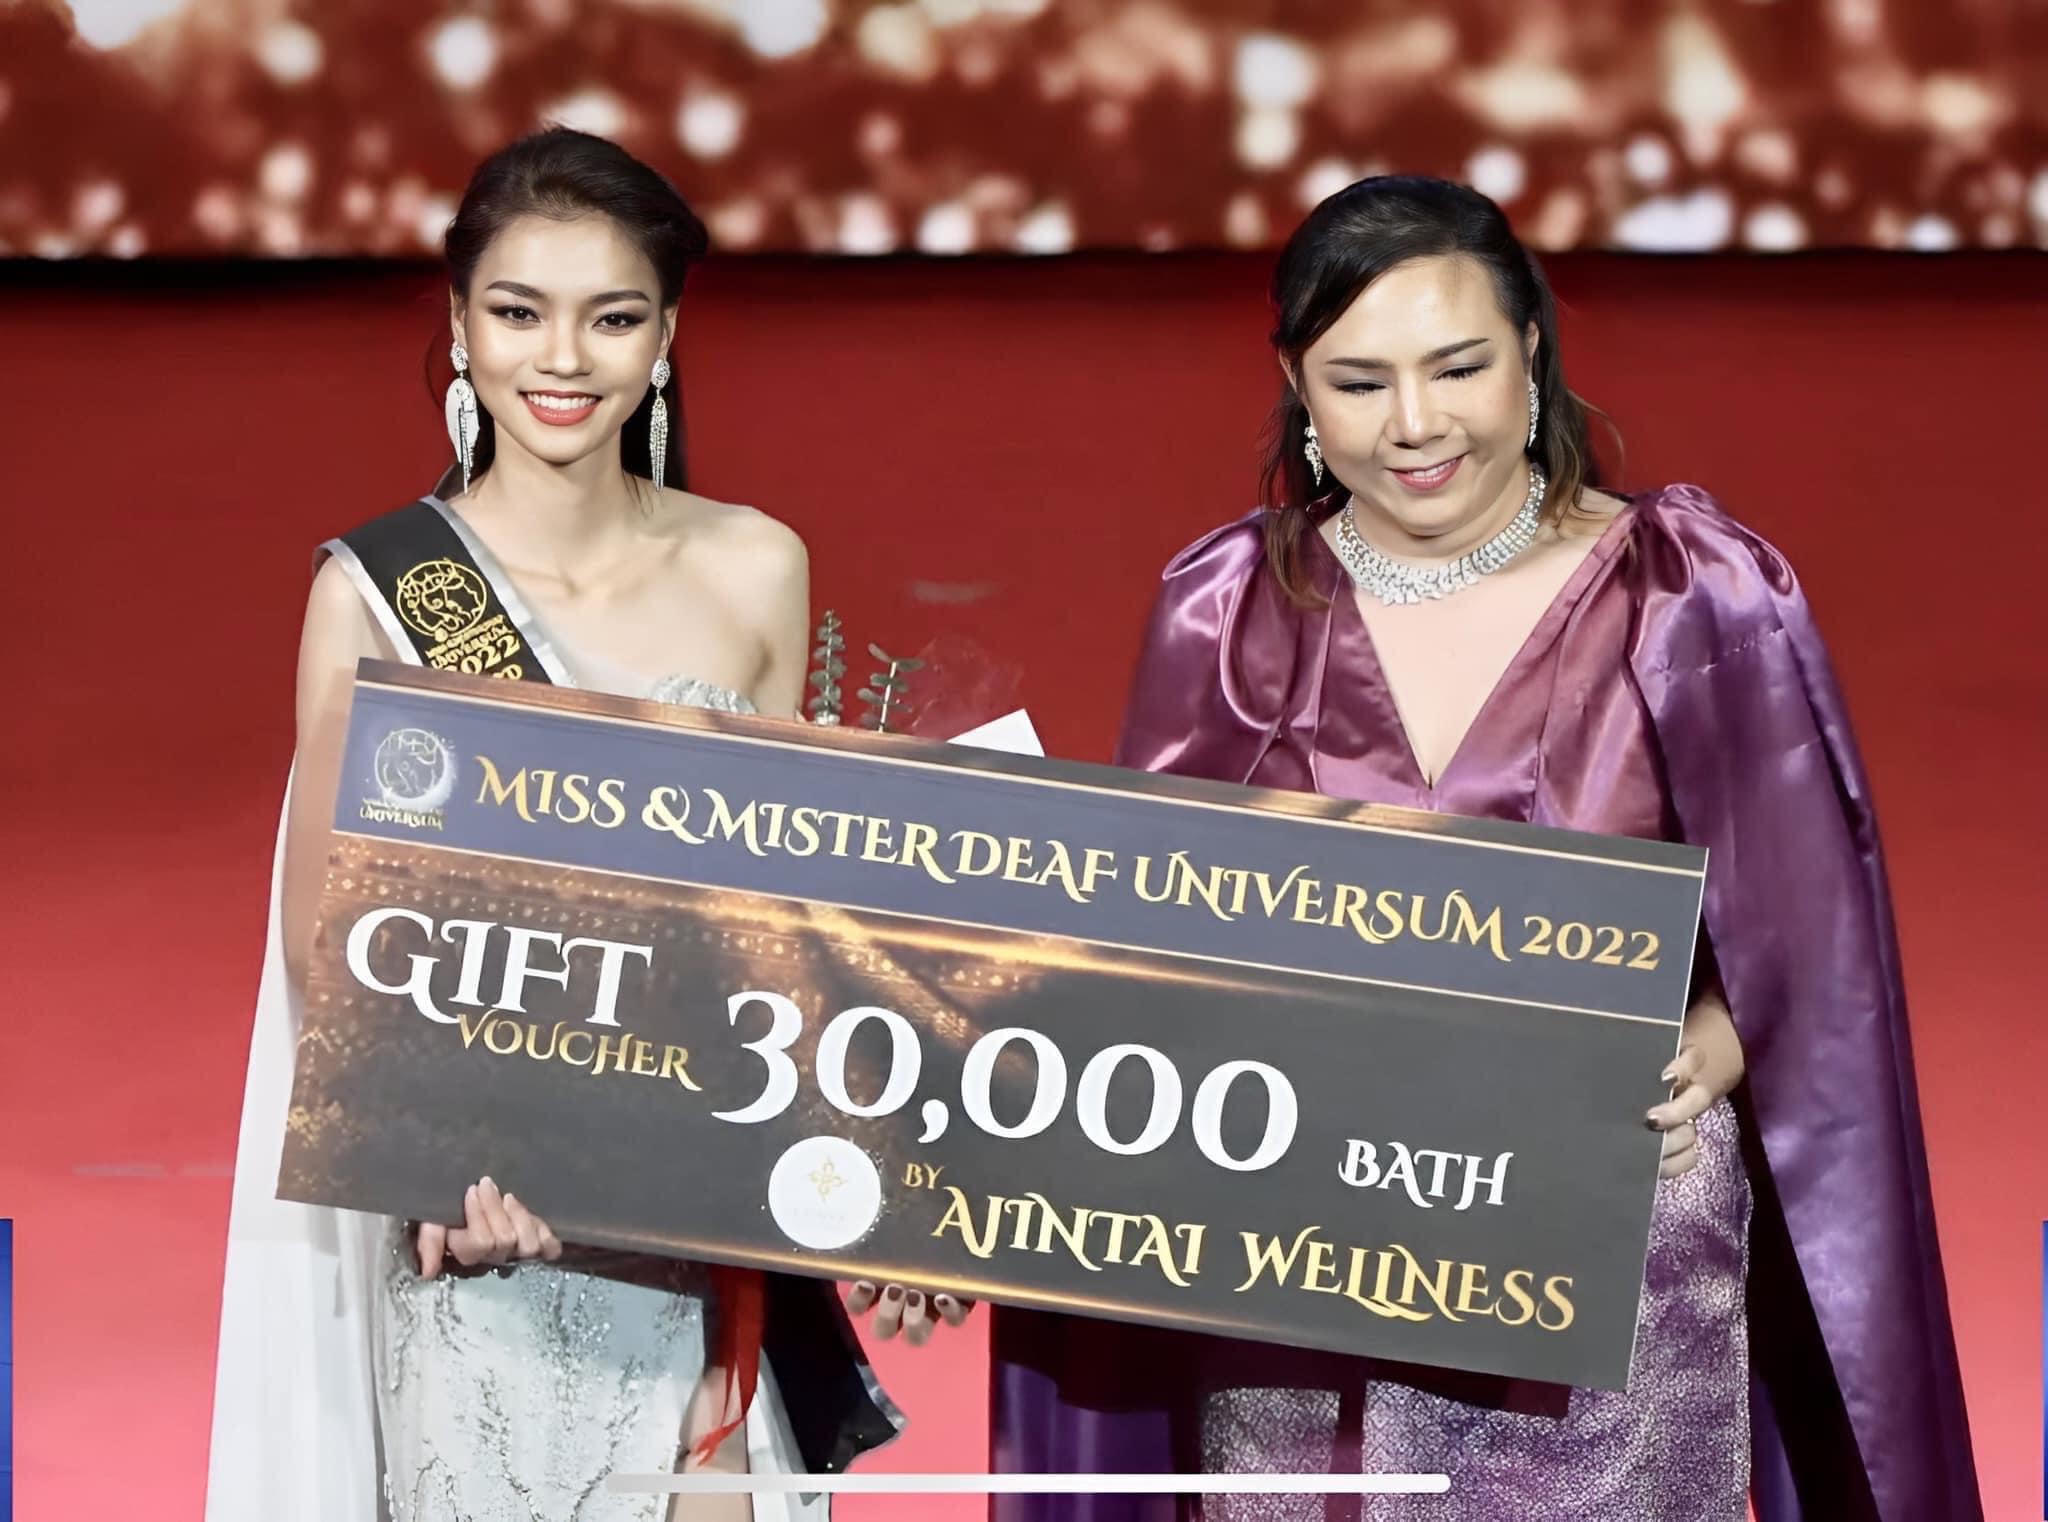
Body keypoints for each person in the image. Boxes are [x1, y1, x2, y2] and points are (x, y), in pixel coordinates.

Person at [990, 177, 1981, 1522]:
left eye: (1458, 367)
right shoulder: (1228, 607)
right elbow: (1149, 949)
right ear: (1296, 386)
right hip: (1304, 1277)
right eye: (1359, 382)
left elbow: (1810, 928)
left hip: (1605, 1260)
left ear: (1531, 349)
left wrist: (1716, 1042)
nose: (1415, 425)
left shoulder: (1689, 590)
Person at [205, 127, 958, 1522]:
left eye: (611, 318)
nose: (562, 359)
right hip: (491, 1240)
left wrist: (882, 1168)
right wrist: (443, 1160)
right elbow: (329, 940)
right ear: (458, 327)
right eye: (518, 312)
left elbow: (782, 922)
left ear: (666, 336)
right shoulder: (377, 595)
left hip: (705, 1238)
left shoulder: (753, 566)